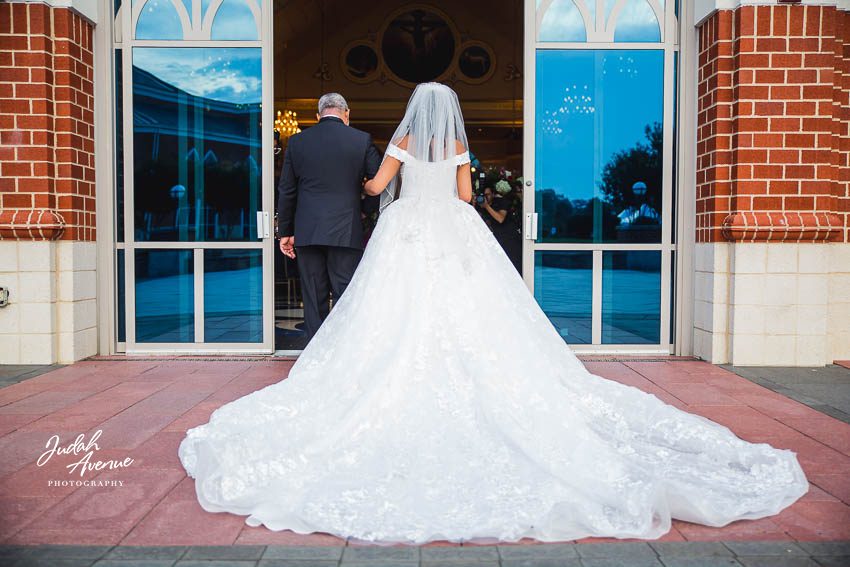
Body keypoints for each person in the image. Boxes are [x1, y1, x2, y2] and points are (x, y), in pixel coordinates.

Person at [179, 82, 808, 545]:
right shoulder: (457, 141)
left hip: (405, 231)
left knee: (383, 309)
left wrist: (373, 188)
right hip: (451, 230)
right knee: (470, 306)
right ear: (449, 112)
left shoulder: (399, 140)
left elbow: (375, 187)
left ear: (413, 111)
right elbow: (464, 194)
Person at [275, 93, 382, 340]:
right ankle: (345, 349)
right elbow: (378, 184)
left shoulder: (297, 142)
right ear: (347, 114)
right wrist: (364, 212)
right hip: (346, 228)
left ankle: (315, 351)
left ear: (318, 115)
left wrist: (286, 231)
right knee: (346, 294)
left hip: (308, 230)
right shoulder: (361, 140)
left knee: (313, 296)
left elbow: (287, 190)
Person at [478, 185, 522, 272]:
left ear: (493, 194)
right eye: (483, 195)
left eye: (488, 195)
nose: (485, 197)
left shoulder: (502, 202)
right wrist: (474, 204)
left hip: (510, 239)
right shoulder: (480, 205)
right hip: (495, 239)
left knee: (514, 266)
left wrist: (487, 206)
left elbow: (500, 219)